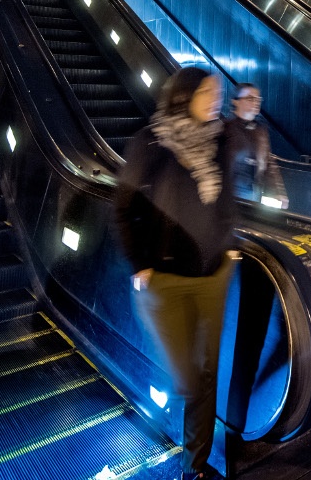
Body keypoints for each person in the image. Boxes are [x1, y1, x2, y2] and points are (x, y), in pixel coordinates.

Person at [113, 68, 234, 480]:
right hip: (166, 277)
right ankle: (165, 408)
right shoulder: (152, 141)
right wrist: (140, 263)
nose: (217, 98)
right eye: (208, 91)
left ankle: (194, 467)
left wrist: (228, 247)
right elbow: (124, 205)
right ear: (184, 96)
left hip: (213, 275)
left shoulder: (221, 139)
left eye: (219, 91)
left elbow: (228, 198)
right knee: (186, 375)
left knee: (205, 373)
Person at [223, 83, 287, 208]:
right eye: (250, 98)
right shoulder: (225, 128)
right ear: (236, 101)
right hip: (230, 195)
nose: (256, 102)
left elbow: (268, 162)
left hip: (254, 194)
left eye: (258, 99)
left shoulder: (261, 131)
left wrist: (278, 192)